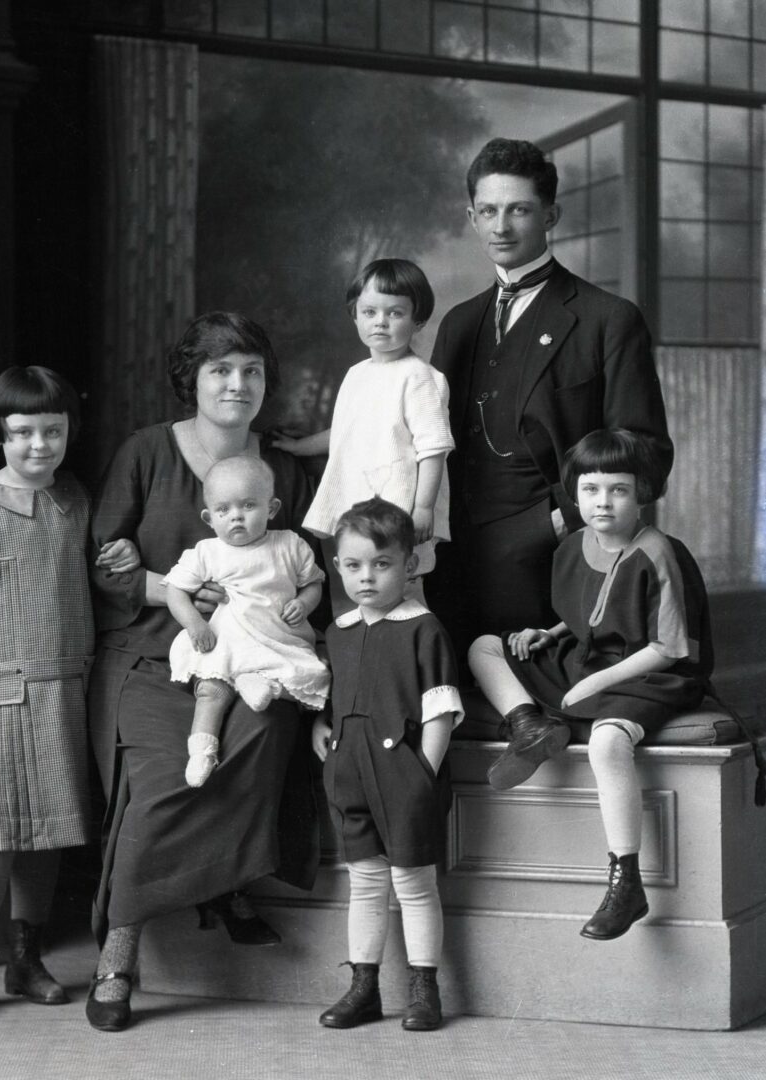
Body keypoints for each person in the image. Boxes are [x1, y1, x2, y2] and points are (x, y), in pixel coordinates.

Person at [86, 311, 321, 1032]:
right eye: (220, 369)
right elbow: (102, 561)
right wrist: (172, 589)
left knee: (261, 730)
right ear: (191, 377)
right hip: (153, 658)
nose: (237, 384)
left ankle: (221, 884)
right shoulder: (145, 452)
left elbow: (310, 569)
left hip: (252, 661)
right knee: (160, 783)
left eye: (251, 370)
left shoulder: (284, 466)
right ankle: (117, 962)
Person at [0, 366, 137, 1019]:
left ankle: (25, 958)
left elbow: (101, 580)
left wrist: (122, 564)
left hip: (62, 693)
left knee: (47, 837)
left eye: (52, 431)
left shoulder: (76, 501)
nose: (38, 445)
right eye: (23, 433)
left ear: (69, 431)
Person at [427, 137, 673, 688]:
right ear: (471, 217)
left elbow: (645, 452)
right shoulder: (458, 324)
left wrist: (560, 519)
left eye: (519, 209)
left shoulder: (607, 318)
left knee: (546, 713)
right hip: (458, 556)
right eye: (488, 211)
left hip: (555, 557)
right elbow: (426, 438)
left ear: (550, 215)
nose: (502, 225)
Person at [468, 429, 712, 940]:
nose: (603, 502)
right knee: (484, 647)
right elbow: (589, 616)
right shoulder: (574, 545)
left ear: (642, 492)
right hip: (589, 659)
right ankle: (529, 725)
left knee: (606, 741)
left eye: (618, 490)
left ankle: (626, 879)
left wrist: (595, 682)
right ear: (575, 494)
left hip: (648, 671)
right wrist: (549, 631)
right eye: (591, 489)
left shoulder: (658, 552)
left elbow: (668, 647)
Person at [313, 497, 463, 1031]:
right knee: (366, 882)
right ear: (337, 567)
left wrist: (423, 773)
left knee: (414, 883)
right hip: (348, 771)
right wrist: (320, 728)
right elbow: (333, 697)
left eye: (381, 564)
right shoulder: (340, 631)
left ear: (410, 565)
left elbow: (440, 708)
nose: (367, 578)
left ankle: (424, 990)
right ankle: (364, 988)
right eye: (353, 566)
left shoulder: (423, 628)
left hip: (405, 774)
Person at [273, 258, 453, 613]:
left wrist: (422, 507)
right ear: (355, 315)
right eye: (369, 311)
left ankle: (411, 656)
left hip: (398, 504)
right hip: (358, 502)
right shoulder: (357, 374)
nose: (380, 322)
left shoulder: (419, 377)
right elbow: (345, 432)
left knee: (401, 590)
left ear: (418, 321)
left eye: (395, 313)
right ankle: (364, 656)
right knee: (359, 588)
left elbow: (434, 447)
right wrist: (298, 446)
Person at [164, 455, 330, 787]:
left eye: (248, 506)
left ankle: (258, 683)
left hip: (276, 636)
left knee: (304, 678)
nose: (236, 517)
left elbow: (314, 582)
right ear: (209, 518)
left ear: (271, 508)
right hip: (230, 637)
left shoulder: (289, 544)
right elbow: (175, 591)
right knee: (210, 690)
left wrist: (303, 602)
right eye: (224, 511)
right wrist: (195, 624)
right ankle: (202, 751)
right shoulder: (208, 551)